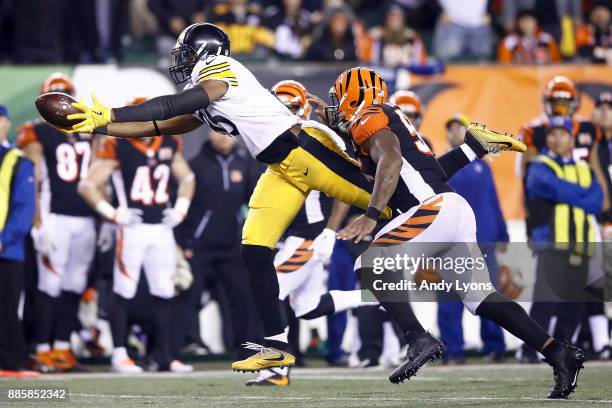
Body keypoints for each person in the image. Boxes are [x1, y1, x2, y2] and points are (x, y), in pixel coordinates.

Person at [62, 23, 526, 374]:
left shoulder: (218, 71)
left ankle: (472, 148)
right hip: (280, 167)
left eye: (186, 53)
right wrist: (96, 125)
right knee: (255, 248)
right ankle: (277, 347)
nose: (180, 60)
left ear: (203, 53)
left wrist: (112, 111)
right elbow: (164, 124)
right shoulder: (203, 91)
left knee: (394, 199)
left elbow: (171, 107)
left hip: (304, 151)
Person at [329, 66, 586, 399]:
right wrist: (472, 150)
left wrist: (370, 215)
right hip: (451, 210)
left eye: (340, 98)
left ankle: (417, 337)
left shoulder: (370, 118)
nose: (337, 106)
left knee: (371, 264)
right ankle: (558, 352)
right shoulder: (387, 119)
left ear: (357, 96)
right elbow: (432, 171)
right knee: (480, 298)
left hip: (434, 210)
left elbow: (390, 160)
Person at [78, 97, 196, 373]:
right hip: (132, 228)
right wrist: (113, 213)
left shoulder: (168, 141)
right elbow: (88, 185)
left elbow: (187, 179)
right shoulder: (118, 143)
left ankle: (164, 354)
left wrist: (180, 208)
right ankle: (120, 354)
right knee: (124, 290)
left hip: (162, 229)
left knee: (165, 291)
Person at [17, 73, 97, 373]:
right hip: (55, 218)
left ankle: (62, 349)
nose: (62, 102)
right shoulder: (37, 131)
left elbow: (97, 173)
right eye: (57, 95)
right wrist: (38, 221)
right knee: (48, 285)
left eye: (66, 95)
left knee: (73, 284)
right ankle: (42, 349)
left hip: (85, 217)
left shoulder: (88, 127)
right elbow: (34, 178)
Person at [175, 129, 263, 360]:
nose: (223, 137)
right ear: (209, 135)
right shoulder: (195, 165)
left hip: (232, 243)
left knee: (243, 295)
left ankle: (246, 347)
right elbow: (183, 206)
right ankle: (180, 347)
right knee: (187, 294)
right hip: (198, 242)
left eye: (226, 133)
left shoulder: (245, 163)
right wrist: (182, 242)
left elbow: (255, 200)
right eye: (217, 132)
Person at [522, 116, 603, 362]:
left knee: (573, 306)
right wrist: (578, 195)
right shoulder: (539, 165)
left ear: (571, 138)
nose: (558, 139)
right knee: (544, 303)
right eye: (553, 134)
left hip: (581, 245)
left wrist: (567, 194)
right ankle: (528, 351)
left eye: (563, 134)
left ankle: (559, 352)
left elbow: (597, 202)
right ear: (547, 138)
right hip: (552, 244)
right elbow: (550, 188)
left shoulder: (584, 167)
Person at [438, 113, 508, 364]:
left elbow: (493, 201)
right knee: (449, 298)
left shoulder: (483, 165)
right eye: (451, 128)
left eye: (460, 128)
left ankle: (494, 347)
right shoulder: (440, 165)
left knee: (489, 296)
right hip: (450, 243)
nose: (455, 132)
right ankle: (452, 350)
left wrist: (503, 232)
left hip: (485, 240)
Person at [0, 105, 38, 378]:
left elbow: (24, 208)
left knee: (6, 306)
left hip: (6, 249)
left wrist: (5, 239)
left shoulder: (16, 159)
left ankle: (11, 359)